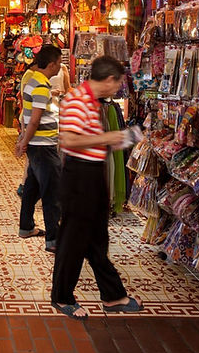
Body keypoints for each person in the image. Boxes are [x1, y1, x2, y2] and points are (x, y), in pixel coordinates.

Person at [50, 55, 142, 320]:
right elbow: (68, 139)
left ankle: (113, 296)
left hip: (92, 175)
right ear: (109, 80)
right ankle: (62, 296)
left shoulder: (92, 101)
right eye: (118, 83)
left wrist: (123, 139)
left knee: (97, 239)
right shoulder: (78, 99)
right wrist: (110, 137)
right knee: (73, 240)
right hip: (79, 176)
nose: (118, 89)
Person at [15, 45, 63, 253]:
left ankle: (26, 226)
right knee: (52, 194)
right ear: (51, 64)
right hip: (43, 147)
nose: (60, 67)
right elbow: (34, 120)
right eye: (59, 63)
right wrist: (24, 141)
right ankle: (53, 239)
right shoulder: (41, 86)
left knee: (32, 189)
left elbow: (28, 116)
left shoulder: (32, 80)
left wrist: (24, 139)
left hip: (37, 146)